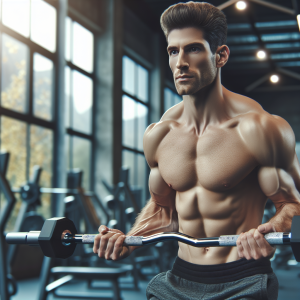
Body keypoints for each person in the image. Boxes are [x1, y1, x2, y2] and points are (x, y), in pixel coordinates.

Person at [93, 2, 300, 299]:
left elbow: (294, 203)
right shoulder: (159, 134)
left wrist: (272, 229)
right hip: (179, 277)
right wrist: (128, 239)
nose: (181, 62)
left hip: (242, 278)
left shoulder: (260, 128)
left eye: (193, 49)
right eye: (173, 51)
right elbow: (164, 211)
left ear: (220, 55)